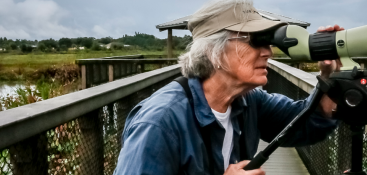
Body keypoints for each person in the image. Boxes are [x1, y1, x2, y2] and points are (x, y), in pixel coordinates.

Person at [114, 0, 345, 174]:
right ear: (214, 52)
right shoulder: (160, 123)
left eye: (268, 41)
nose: (268, 52)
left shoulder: (248, 100)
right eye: (256, 41)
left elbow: (305, 122)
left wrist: (330, 77)